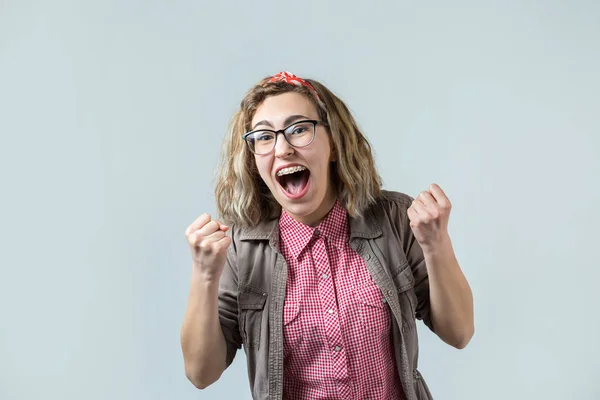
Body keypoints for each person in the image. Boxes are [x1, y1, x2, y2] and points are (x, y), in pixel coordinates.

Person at [180, 71, 474, 400]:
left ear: (333, 143)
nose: (282, 148)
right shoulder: (240, 249)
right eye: (264, 137)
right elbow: (201, 373)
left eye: (300, 129)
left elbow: (459, 332)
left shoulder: (394, 219)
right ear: (252, 159)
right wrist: (204, 276)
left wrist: (437, 246)